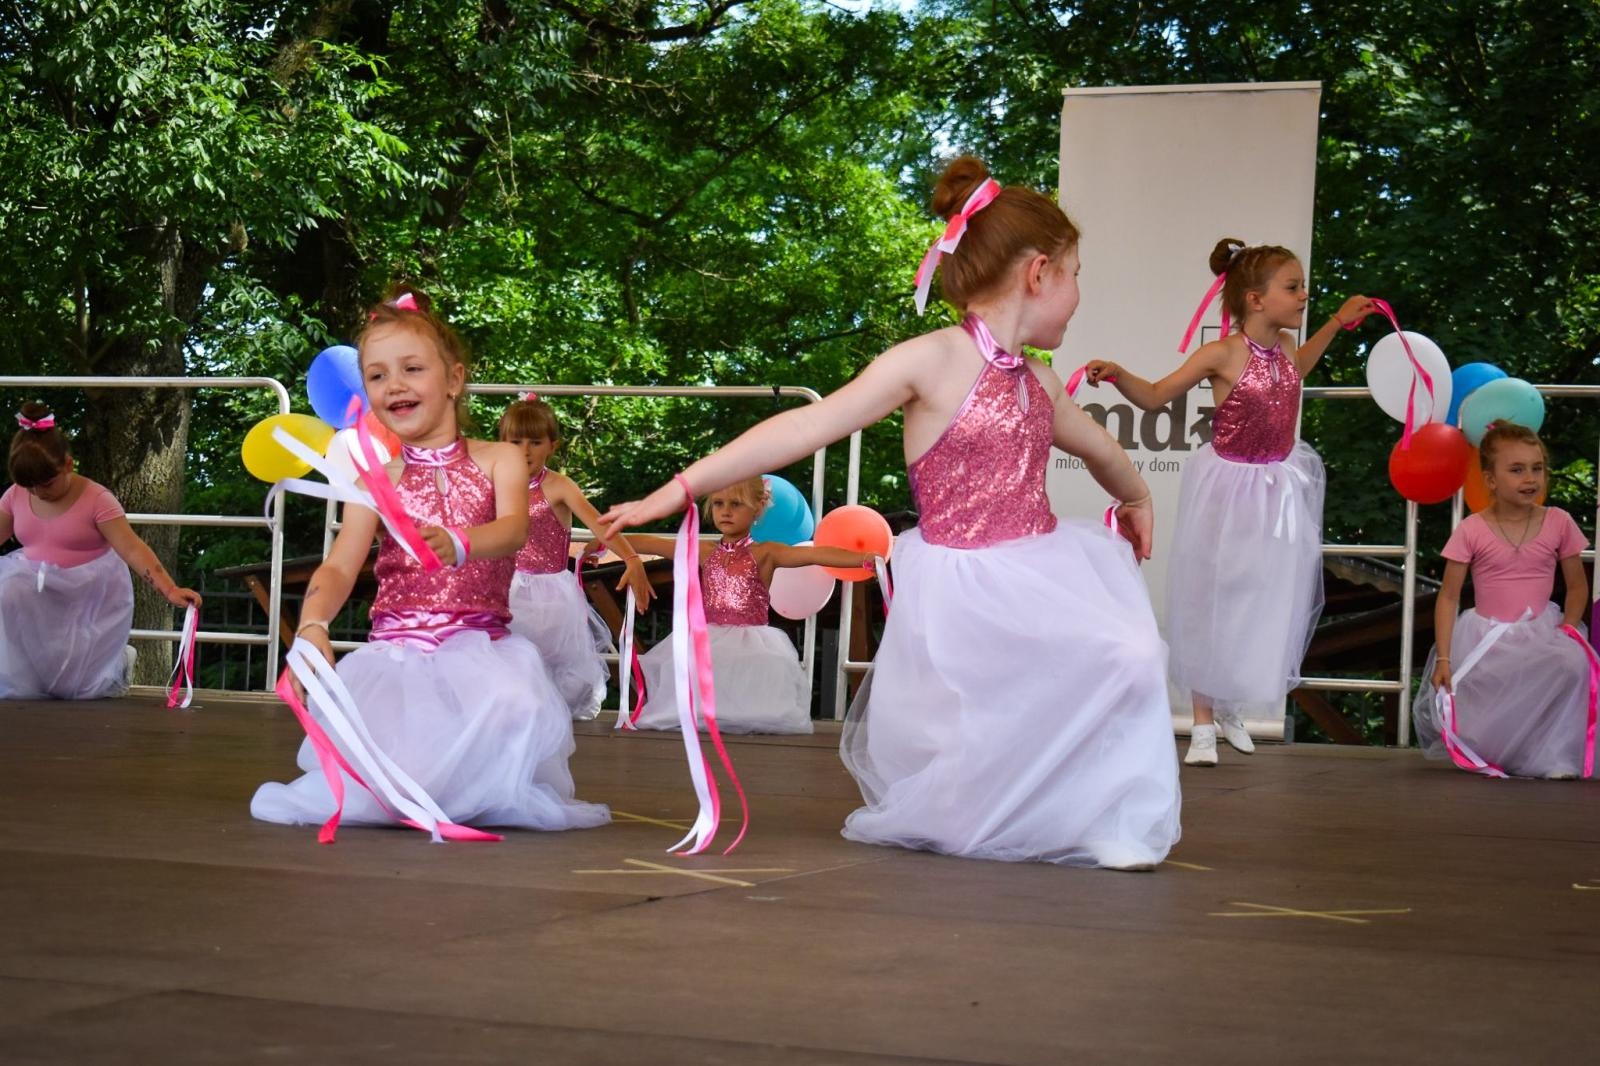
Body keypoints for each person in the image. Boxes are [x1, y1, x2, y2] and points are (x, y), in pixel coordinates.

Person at [603, 156, 1181, 869]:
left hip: (1039, 563)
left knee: (1125, 654)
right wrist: (678, 488)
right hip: (962, 579)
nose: (1079, 293)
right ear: (1040, 273)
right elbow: (805, 427)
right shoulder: (930, 360)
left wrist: (1137, 496)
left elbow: (1098, 447)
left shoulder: (1038, 380)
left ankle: (1098, 815)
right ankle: (994, 812)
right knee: (990, 710)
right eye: (1076, 274)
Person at [251, 286, 608, 832]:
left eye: (412, 368)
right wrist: (313, 625)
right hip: (397, 655)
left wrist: (462, 541)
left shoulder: (501, 458)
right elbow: (340, 565)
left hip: (483, 648)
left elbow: (513, 529)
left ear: (454, 380)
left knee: (514, 705)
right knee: (392, 779)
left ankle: (463, 787)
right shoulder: (374, 481)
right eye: (377, 375)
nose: (394, 384)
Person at [1086, 239, 1374, 765]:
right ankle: (1201, 721)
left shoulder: (1285, 346)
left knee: (1258, 595)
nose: (1304, 295)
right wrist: (1118, 373)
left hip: (1277, 486)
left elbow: (1299, 368)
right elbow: (1156, 396)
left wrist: (1337, 322)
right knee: (1212, 593)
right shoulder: (1222, 353)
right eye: (1293, 287)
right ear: (1255, 299)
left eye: (1303, 286)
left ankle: (1229, 703)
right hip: (1229, 486)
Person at [1413, 423, 1594, 779]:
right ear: (1491, 480)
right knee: (1482, 698)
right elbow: (1448, 596)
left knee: (1572, 663)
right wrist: (1445, 657)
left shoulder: (1558, 522)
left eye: (1537, 468)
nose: (1530, 478)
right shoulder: (1472, 528)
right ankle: (1499, 750)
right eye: (1516, 470)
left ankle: (1554, 755)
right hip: (1486, 636)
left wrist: (1569, 629)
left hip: (1541, 630)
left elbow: (1577, 587)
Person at [626, 475, 865, 735]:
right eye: (718, 504)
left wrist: (866, 559)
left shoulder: (767, 553)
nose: (726, 511)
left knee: (761, 670)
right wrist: (606, 545)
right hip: (708, 636)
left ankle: (739, 718)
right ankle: (706, 714)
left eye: (736, 504)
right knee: (694, 667)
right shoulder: (704, 550)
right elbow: (646, 542)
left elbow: (817, 554)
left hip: (753, 638)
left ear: (758, 507)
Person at [0, 403, 200, 699]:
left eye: (47, 484)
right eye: (29, 487)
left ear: (68, 464)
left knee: (80, 689)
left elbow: (131, 548)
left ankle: (119, 662)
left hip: (88, 594)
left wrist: (169, 589)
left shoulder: (98, 499)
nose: (39, 493)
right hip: (36, 589)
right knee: (7, 591)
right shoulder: (14, 495)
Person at [498, 394, 652, 720]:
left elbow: (600, 525)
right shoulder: (494, 483)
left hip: (550, 593)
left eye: (535, 442)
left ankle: (550, 717)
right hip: (506, 588)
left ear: (552, 446)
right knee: (507, 658)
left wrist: (631, 558)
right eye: (515, 442)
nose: (525, 450)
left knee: (557, 665)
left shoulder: (559, 486)